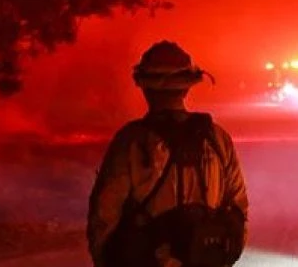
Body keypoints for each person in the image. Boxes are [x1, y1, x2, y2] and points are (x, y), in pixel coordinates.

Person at [88, 41, 249, 267]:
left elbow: (104, 216)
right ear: (187, 86)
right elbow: (239, 210)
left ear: (144, 86)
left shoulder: (132, 141)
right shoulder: (217, 138)